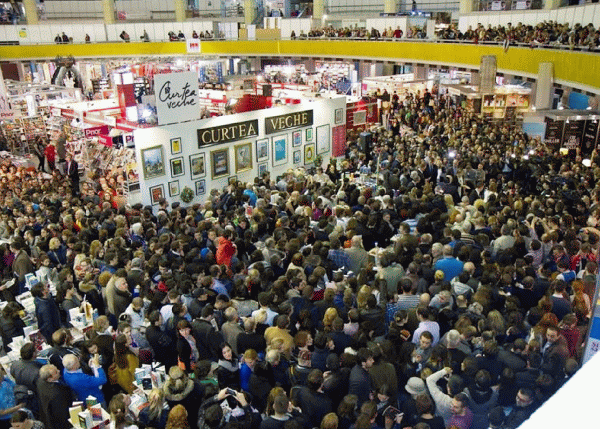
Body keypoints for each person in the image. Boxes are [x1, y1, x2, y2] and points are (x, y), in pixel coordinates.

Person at [36, 364, 73, 429]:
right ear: (50, 379)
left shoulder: (40, 381)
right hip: (59, 422)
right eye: (56, 372)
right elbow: (62, 413)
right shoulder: (57, 393)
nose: (59, 371)